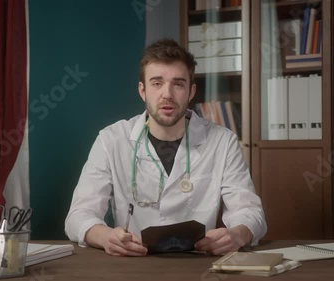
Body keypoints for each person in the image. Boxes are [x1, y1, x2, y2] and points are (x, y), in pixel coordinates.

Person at [65, 38, 266, 257]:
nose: (167, 94)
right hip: (132, 264)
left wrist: (238, 235)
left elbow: (249, 211)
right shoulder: (111, 140)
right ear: (142, 90)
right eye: (157, 83)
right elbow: (79, 215)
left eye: (178, 84)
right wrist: (105, 237)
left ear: (191, 92)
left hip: (199, 265)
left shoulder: (223, 142)